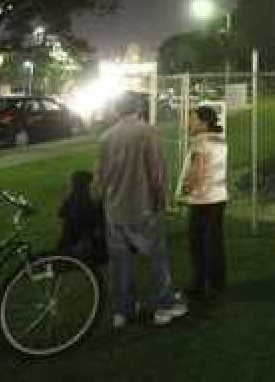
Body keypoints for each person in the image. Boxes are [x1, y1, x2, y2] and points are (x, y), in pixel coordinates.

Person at [95, 92, 186, 327]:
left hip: (114, 208)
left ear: (117, 109)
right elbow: (156, 171)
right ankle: (164, 306)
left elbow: (100, 177)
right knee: (156, 257)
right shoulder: (147, 132)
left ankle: (123, 310)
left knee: (119, 262)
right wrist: (162, 198)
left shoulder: (106, 137)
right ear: (139, 108)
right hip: (142, 206)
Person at [178, 105, 227, 300]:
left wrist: (184, 190)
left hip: (202, 199)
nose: (190, 123)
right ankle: (216, 283)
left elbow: (197, 170)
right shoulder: (221, 140)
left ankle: (198, 284)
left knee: (197, 244)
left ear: (204, 122)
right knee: (214, 243)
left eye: (193, 119)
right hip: (219, 196)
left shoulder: (199, 142)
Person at [56, 170, 107, 266]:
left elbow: (60, 224)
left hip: (68, 246)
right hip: (89, 247)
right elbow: (100, 229)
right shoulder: (95, 204)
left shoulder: (68, 202)